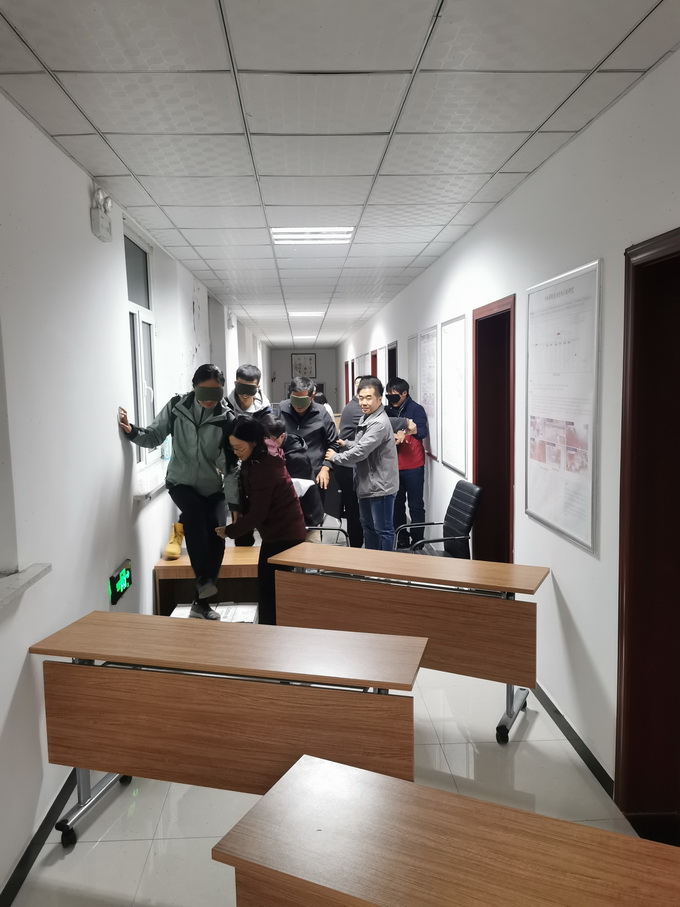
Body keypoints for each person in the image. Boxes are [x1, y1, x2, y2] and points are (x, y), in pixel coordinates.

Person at [118, 363, 239, 620]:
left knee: (217, 537)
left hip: (212, 487)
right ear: (194, 388)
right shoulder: (177, 407)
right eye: (204, 392)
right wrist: (132, 431)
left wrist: (235, 504)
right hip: (180, 481)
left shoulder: (227, 419)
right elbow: (154, 436)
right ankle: (203, 582)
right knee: (194, 515)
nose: (210, 400)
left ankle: (201, 603)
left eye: (215, 393)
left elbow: (229, 466)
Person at [215, 417, 307, 625]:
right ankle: (272, 629)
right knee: (269, 588)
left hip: (283, 535)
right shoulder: (263, 452)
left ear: (253, 442)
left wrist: (230, 531)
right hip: (279, 531)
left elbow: (258, 513)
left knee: (270, 591)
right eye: (232, 448)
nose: (236, 452)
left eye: (239, 448)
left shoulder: (264, 468)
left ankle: (272, 631)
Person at [325, 377, 399, 550]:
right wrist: (346, 444)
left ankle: (386, 564)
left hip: (380, 486)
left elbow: (360, 452)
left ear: (379, 399)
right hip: (367, 483)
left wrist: (335, 457)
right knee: (368, 527)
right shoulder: (367, 417)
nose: (363, 402)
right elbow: (361, 445)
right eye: (361, 398)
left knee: (383, 530)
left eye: (368, 398)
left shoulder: (379, 423)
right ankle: (371, 561)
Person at [257, 414, 325, 529]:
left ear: (282, 436)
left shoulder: (296, 458)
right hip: (286, 516)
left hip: (305, 519)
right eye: (263, 439)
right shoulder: (276, 449)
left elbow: (290, 494)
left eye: (269, 439)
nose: (265, 444)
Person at [385, 378, 429, 549]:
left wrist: (407, 431)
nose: (391, 399)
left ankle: (418, 540)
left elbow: (422, 432)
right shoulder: (387, 410)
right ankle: (401, 537)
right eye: (388, 395)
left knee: (415, 505)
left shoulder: (416, 409)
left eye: (394, 395)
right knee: (396, 505)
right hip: (393, 465)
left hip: (413, 465)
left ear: (404, 393)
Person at [279, 376, 339, 492]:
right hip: (286, 473)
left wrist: (326, 467)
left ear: (312, 396)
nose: (298, 405)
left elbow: (333, 444)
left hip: (314, 474)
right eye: (295, 399)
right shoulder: (282, 408)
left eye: (302, 400)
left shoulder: (321, 413)